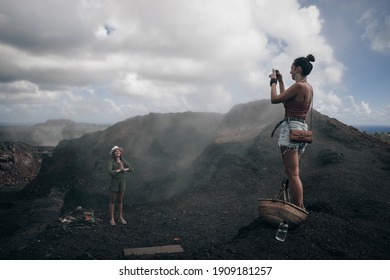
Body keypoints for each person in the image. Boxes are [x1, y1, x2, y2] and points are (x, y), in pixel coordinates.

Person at [269, 54, 315, 209]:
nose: (290, 72)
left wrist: (273, 82)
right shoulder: (308, 87)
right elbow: (285, 99)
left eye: (291, 68)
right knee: (293, 172)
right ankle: (298, 207)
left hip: (290, 130)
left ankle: (299, 209)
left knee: (293, 174)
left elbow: (275, 99)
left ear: (298, 69)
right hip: (301, 131)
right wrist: (281, 81)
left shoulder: (299, 86)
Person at [108, 145, 133, 225]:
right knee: (112, 201)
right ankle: (112, 219)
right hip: (114, 182)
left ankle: (120, 217)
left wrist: (125, 169)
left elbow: (131, 168)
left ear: (121, 153)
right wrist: (119, 170)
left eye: (119, 151)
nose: (118, 152)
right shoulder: (111, 162)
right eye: (116, 151)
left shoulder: (123, 161)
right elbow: (110, 172)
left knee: (120, 200)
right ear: (113, 153)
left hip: (122, 182)